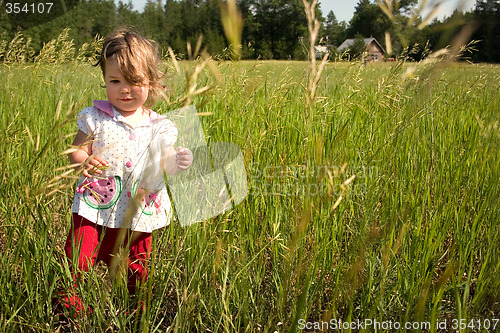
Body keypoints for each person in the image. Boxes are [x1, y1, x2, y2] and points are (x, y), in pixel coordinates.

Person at [60, 27, 193, 314]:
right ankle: (71, 312)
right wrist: (82, 160)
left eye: (134, 81)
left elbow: (166, 161)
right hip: (94, 205)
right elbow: (75, 149)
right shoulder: (94, 117)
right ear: (104, 80)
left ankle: (137, 312)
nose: (125, 89)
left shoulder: (161, 126)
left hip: (139, 209)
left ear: (153, 82)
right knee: (78, 259)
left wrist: (179, 161)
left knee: (138, 266)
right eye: (114, 80)